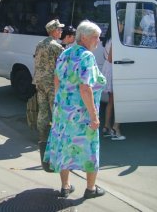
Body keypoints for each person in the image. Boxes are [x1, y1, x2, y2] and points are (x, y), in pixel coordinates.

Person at [43, 20, 106, 199]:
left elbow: (56, 80)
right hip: (82, 114)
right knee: (89, 148)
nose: (98, 41)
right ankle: (91, 189)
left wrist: (58, 105)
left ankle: (65, 187)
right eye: (96, 37)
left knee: (65, 147)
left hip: (64, 112)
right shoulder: (87, 56)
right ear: (84, 37)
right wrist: (94, 117)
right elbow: (85, 88)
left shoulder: (66, 52)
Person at [33, 19, 65, 167]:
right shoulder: (56, 46)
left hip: (39, 81)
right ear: (53, 31)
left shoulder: (40, 44)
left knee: (43, 110)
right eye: (59, 30)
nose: (61, 32)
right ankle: (56, 139)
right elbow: (66, 62)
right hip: (52, 83)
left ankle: (42, 137)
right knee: (55, 110)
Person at [101, 26, 126, 141]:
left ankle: (106, 127)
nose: (122, 26)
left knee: (111, 101)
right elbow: (111, 58)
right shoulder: (116, 40)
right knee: (120, 101)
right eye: (120, 24)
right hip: (114, 70)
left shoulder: (108, 39)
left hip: (108, 69)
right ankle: (116, 129)